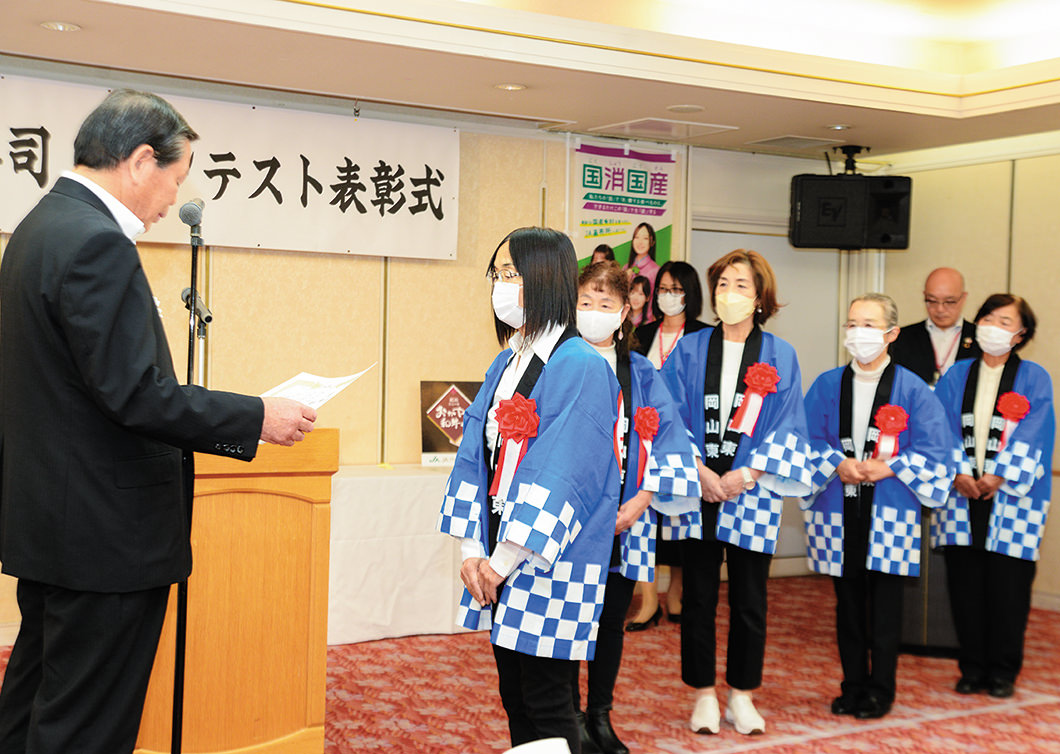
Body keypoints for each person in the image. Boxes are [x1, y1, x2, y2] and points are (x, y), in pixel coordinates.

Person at [0, 90, 315, 754]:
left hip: (53, 528)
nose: (174, 199)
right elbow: (138, 395)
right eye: (177, 178)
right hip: (104, 542)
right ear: (141, 161)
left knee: (34, 706)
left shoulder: (38, 230)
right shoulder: (96, 243)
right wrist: (257, 416)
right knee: (84, 727)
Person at [436, 227, 622, 754]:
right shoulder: (508, 359)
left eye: (512, 274)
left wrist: (501, 560)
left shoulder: (582, 365)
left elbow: (564, 474)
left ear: (545, 277)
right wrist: (474, 552)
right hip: (499, 551)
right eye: (498, 274)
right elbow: (475, 453)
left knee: (547, 700)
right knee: (516, 695)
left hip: (548, 560)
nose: (501, 285)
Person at [660, 249, 813, 736]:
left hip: (755, 489)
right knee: (698, 596)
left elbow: (790, 426)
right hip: (699, 486)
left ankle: (741, 695)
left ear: (760, 297)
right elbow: (667, 414)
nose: (730, 294)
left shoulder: (779, 354)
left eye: (742, 285)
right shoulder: (689, 348)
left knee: (750, 599)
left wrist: (746, 475)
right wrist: (700, 470)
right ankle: (703, 694)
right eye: (723, 283)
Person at [803, 293, 953, 721]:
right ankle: (852, 685)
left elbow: (935, 450)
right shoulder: (828, 385)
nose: (858, 333)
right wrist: (839, 462)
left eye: (868, 325)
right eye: (852, 324)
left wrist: (890, 468)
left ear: (890, 334)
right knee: (847, 605)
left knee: (886, 608)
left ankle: (881, 689)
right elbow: (808, 440)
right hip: (839, 508)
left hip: (892, 509)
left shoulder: (914, 390)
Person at [571, 261, 700, 754]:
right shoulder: (558, 365)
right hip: (570, 523)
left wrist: (644, 498)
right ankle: (568, 719)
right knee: (567, 621)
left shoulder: (641, 370)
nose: (595, 312)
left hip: (630, 520)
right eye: (586, 303)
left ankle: (599, 715)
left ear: (625, 313)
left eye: (606, 305)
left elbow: (670, 438)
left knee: (610, 621)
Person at [931, 294, 1054, 699]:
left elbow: (1037, 430)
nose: (992, 327)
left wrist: (998, 475)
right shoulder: (956, 375)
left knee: (1008, 588)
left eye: (1004, 321)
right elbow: (940, 426)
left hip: (1012, 498)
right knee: (965, 586)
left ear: (1020, 335)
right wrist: (960, 473)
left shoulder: (1034, 377)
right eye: (987, 317)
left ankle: (1002, 670)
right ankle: (972, 667)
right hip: (961, 492)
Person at [625, 260, 707, 630]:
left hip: (686, 437)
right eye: (663, 290)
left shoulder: (704, 336)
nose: (668, 296)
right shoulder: (642, 333)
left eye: (676, 290)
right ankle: (647, 601)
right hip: (643, 436)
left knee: (680, 519)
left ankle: (675, 594)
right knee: (643, 520)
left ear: (690, 294)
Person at [890, 267, 981, 386]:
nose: (940, 309)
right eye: (932, 301)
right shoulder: (902, 338)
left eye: (949, 302)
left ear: (963, 298)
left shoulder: (980, 337)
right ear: (924, 296)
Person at [623, 223, 660, 296]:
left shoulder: (656, 270)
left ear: (652, 242)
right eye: (637, 237)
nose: (640, 242)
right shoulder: (626, 268)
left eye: (645, 238)